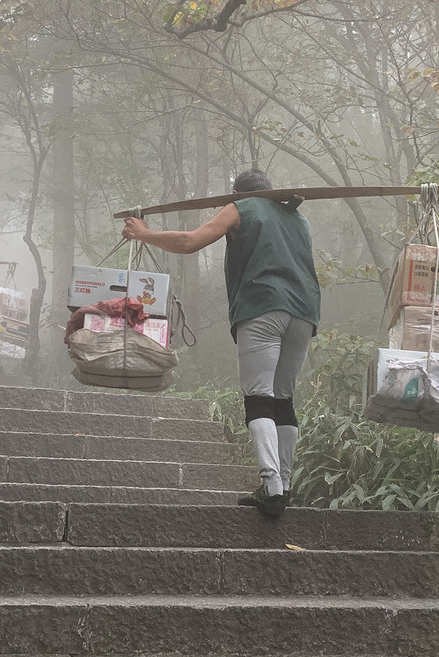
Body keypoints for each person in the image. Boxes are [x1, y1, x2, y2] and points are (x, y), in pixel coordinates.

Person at [123, 169, 320, 516]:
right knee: (283, 399)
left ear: (237, 192)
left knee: (258, 396)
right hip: (304, 312)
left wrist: (144, 234)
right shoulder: (297, 219)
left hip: (261, 306)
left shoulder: (241, 207)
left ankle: (272, 486)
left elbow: (191, 242)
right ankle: (285, 485)